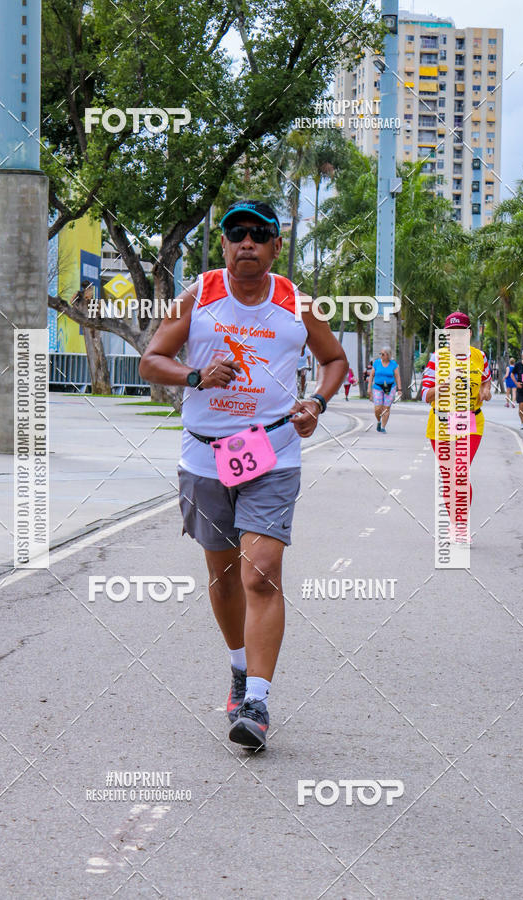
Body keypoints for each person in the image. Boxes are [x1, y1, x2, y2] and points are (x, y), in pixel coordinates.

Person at [139, 199, 348, 751]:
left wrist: (317, 404)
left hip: (273, 453)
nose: (248, 242)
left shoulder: (297, 303)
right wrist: (195, 375)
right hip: (205, 457)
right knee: (224, 575)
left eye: (260, 234)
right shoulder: (199, 296)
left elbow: (335, 361)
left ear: (276, 247)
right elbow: (150, 359)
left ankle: (256, 700)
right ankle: (238, 666)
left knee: (261, 573)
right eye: (238, 234)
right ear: (225, 245)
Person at [421, 311, 491, 543]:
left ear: (468, 333)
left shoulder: (479, 356)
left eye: (460, 332)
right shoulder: (437, 358)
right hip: (441, 422)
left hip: (470, 421)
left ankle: (460, 526)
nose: (456, 337)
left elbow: (486, 380)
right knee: (449, 475)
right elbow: (425, 394)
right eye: (451, 333)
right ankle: (455, 524)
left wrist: (485, 391)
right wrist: (446, 383)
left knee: (460, 472)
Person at [367, 346, 402, 433]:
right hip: (378, 387)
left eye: (383, 354)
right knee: (377, 408)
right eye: (380, 354)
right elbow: (371, 376)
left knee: (386, 408)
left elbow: (397, 377)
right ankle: (378, 421)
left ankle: (383, 427)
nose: (381, 355)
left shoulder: (393, 364)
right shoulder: (376, 363)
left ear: (388, 355)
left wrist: (399, 389)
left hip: (390, 387)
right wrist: (369, 388)